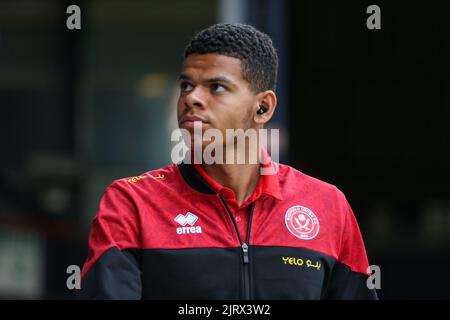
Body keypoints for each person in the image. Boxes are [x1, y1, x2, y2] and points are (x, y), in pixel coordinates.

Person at [79, 23, 378, 299]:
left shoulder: (328, 206)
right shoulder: (131, 203)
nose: (191, 98)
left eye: (216, 87)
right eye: (186, 85)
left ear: (262, 107)